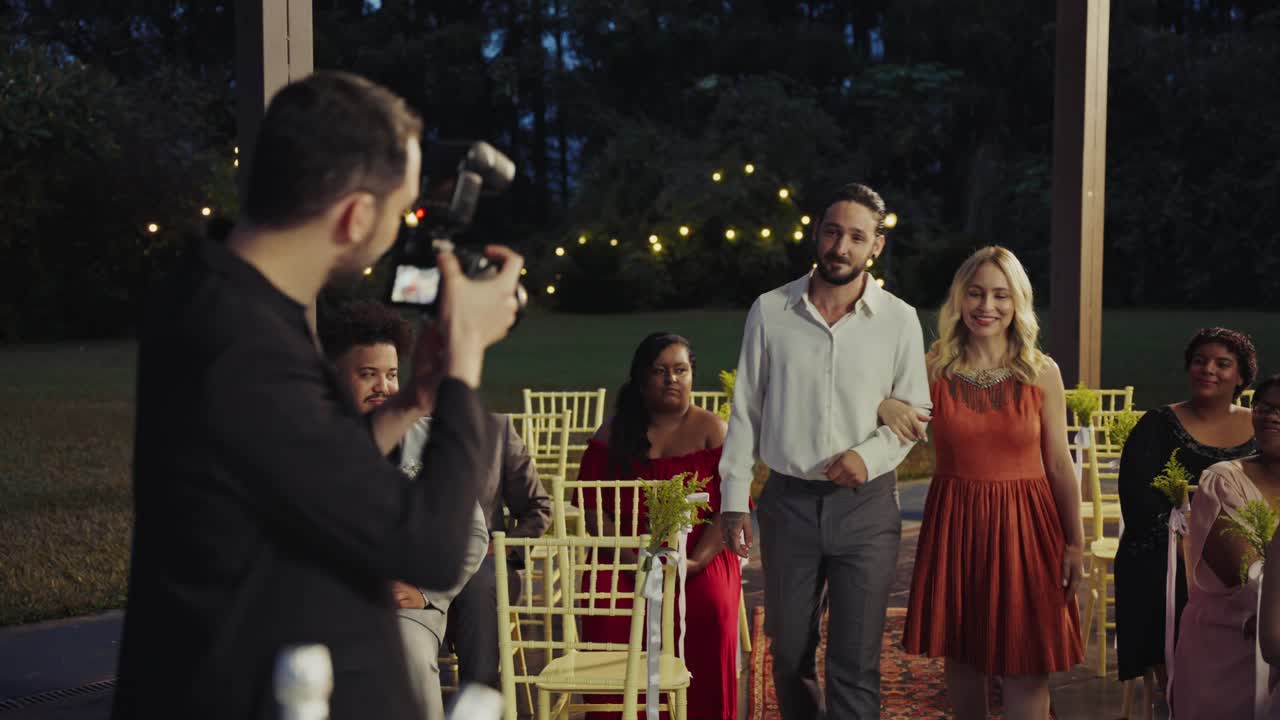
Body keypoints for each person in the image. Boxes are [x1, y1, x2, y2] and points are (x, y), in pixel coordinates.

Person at [111, 71, 523, 720]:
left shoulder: (221, 297)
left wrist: (411, 401)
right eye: (400, 212)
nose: (403, 231)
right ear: (356, 214)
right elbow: (434, 548)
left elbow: (300, 467)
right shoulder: (240, 344)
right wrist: (464, 366)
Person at [720, 183, 931, 719]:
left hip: (866, 507)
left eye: (856, 237)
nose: (840, 247)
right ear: (818, 233)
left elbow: (913, 415)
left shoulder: (899, 320)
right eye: (833, 232)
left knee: (854, 660)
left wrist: (868, 457)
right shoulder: (771, 311)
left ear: (875, 247)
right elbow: (745, 411)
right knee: (789, 651)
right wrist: (734, 499)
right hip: (787, 505)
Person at [895, 245, 1085, 720]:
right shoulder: (933, 366)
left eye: (1001, 295)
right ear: (959, 298)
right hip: (956, 522)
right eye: (976, 293)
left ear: (1018, 302)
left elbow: (1060, 463)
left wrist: (1076, 542)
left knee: (1028, 658)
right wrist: (884, 406)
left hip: (1030, 524)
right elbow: (887, 415)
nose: (986, 306)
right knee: (963, 655)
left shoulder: (1043, 372)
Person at [319, 298, 490, 720]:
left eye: (393, 374)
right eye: (367, 374)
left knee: (406, 657)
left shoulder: (429, 439)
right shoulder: (315, 441)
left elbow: (474, 534)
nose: (384, 386)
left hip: (407, 605)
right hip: (326, 601)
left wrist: (427, 593)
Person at [577, 332, 739, 720]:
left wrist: (695, 562)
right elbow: (594, 508)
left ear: (691, 377)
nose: (671, 379)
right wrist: (633, 555)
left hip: (699, 551)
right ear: (640, 378)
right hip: (623, 554)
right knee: (605, 606)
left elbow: (731, 509)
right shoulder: (613, 433)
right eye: (660, 371)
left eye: (680, 370)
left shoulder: (712, 430)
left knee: (709, 607)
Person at [1113, 328, 1258, 690]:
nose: (1208, 369)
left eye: (1222, 364)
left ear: (1241, 376)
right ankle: (1177, 692)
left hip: (1249, 551)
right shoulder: (1156, 426)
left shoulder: (1262, 426)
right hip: (1168, 553)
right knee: (1159, 574)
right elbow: (1140, 506)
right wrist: (1194, 550)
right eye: (1200, 361)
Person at [1171, 373, 1280, 719]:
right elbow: (1250, 580)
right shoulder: (1223, 480)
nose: (1270, 416)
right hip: (1227, 650)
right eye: (1264, 406)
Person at [446, 411, 552, 691]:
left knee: (479, 585)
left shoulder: (496, 429)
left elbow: (538, 507)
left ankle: (478, 698)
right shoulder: (397, 425)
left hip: (484, 562)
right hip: (413, 557)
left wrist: (502, 547)